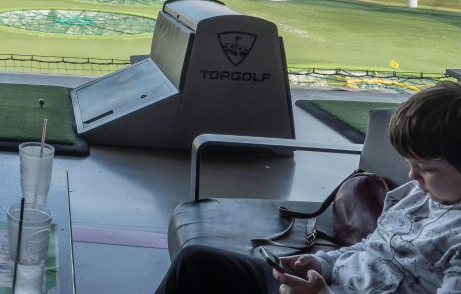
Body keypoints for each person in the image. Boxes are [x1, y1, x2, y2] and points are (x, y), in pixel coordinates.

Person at [155, 80, 461, 294]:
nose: (412, 176)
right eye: (410, 164)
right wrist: (319, 263)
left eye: (427, 169)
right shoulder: (414, 196)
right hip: (321, 285)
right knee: (196, 263)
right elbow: (370, 249)